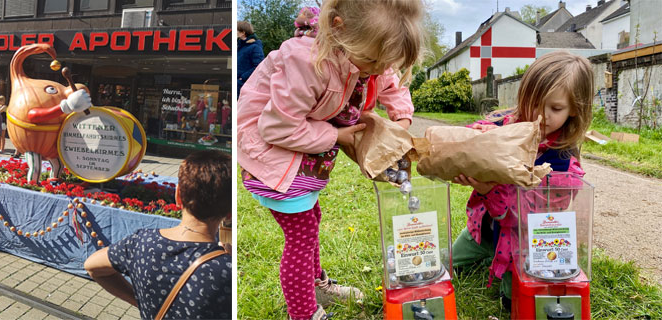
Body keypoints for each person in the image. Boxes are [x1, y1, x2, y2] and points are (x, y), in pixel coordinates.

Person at [237, 1, 422, 318]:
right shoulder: (307, 62)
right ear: (339, 28)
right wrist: (336, 135)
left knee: (311, 219)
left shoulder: (366, 50)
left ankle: (315, 287)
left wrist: (401, 119)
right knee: (301, 237)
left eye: (385, 61)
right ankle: (304, 312)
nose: (378, 69)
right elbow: (276, 127)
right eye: (372, 61)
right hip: (274, 156)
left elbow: (389, 79)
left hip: (300, 153)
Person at [450, 51, 594, 307]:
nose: (542, 115)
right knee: (443, 265)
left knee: (514, 301)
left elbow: (530, 216)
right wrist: (478, 139)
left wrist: (489, 190)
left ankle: (504, 267)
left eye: (556, 108)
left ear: (574, 108)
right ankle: (484, 252)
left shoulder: (564, 164)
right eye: (534, 103)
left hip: (522, 245)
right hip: (482, 231)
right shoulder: (507, 124)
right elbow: (469, 135)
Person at [85, 150, 232, 320]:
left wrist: (139, 301)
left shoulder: (141, 243)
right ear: (229, 213)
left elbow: (91, 266)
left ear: (178, 196)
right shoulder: (227, 269)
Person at [237, 21, 265, 93]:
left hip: (244, 86)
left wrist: (242, 78)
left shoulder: (255, 47)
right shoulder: (239, 47)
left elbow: (259, 66)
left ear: (243, 32)